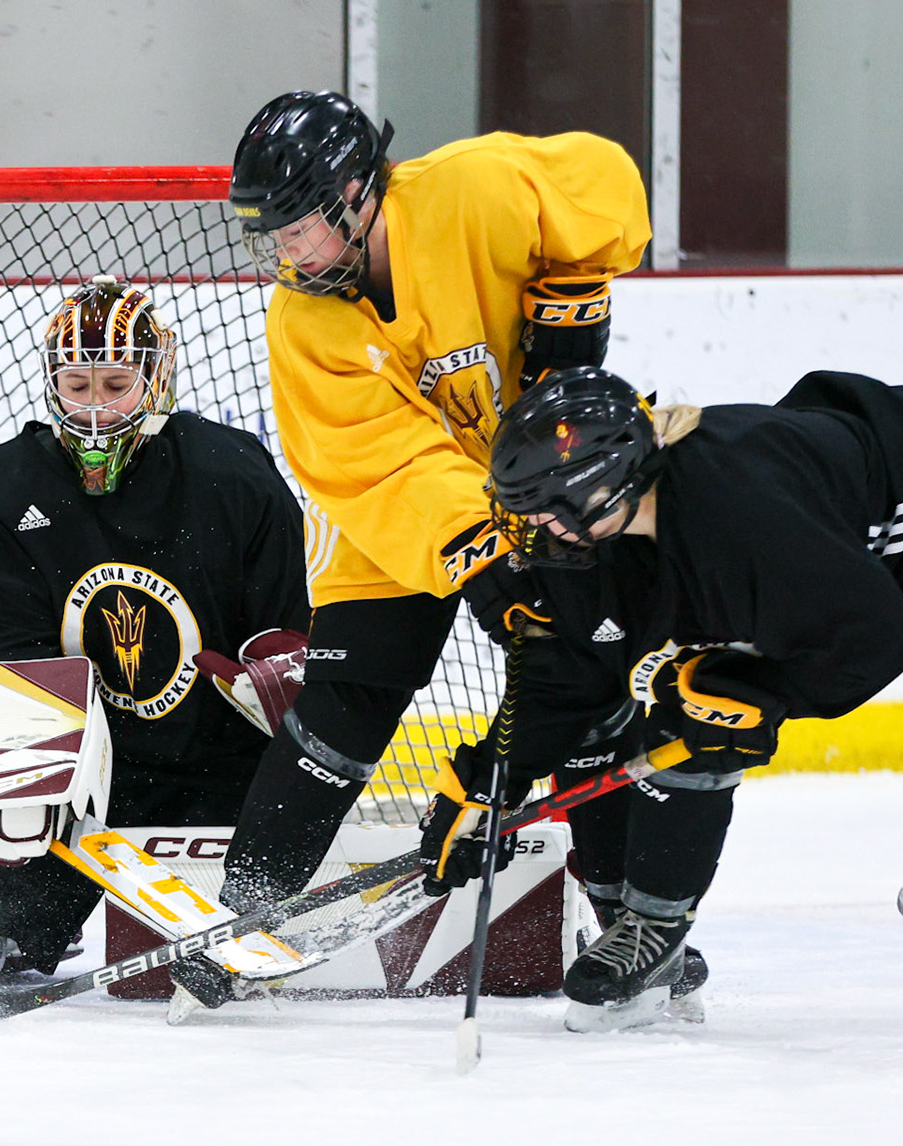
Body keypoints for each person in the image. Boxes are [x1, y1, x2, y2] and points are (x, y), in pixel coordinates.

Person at [473, 364, 903, 1038]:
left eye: (547, 509)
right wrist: (480, 786)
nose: (539, 529)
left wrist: (768, 699)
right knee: (699, 705)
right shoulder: (630, 542)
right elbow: (579, 675)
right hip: (829, 555)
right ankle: (653, 928)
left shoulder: (739, 515)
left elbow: (875, 638)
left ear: (603, 490)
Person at [213, 90, 652, 932]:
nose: (286, 253)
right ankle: (240, 917)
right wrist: (483, 552)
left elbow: (604, 182)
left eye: (297, 228)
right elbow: (382, 466)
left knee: (582, 674)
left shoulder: (470, 189)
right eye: (272, 235)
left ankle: (631, 925)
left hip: (549, 482)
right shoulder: (302, 323)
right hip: (400, 513)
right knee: (349, 692)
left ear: (354, 192)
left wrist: (574, 290)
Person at [0, 276, 310, 978]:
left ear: (156, 381)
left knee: (229, 941)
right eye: (77, 385)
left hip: (213, 757)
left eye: (115, 385)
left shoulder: (234, 475)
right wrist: (66, 745)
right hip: (71, 764)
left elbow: (284, 622)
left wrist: (276, 676)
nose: (95, 408)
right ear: (52, 383)